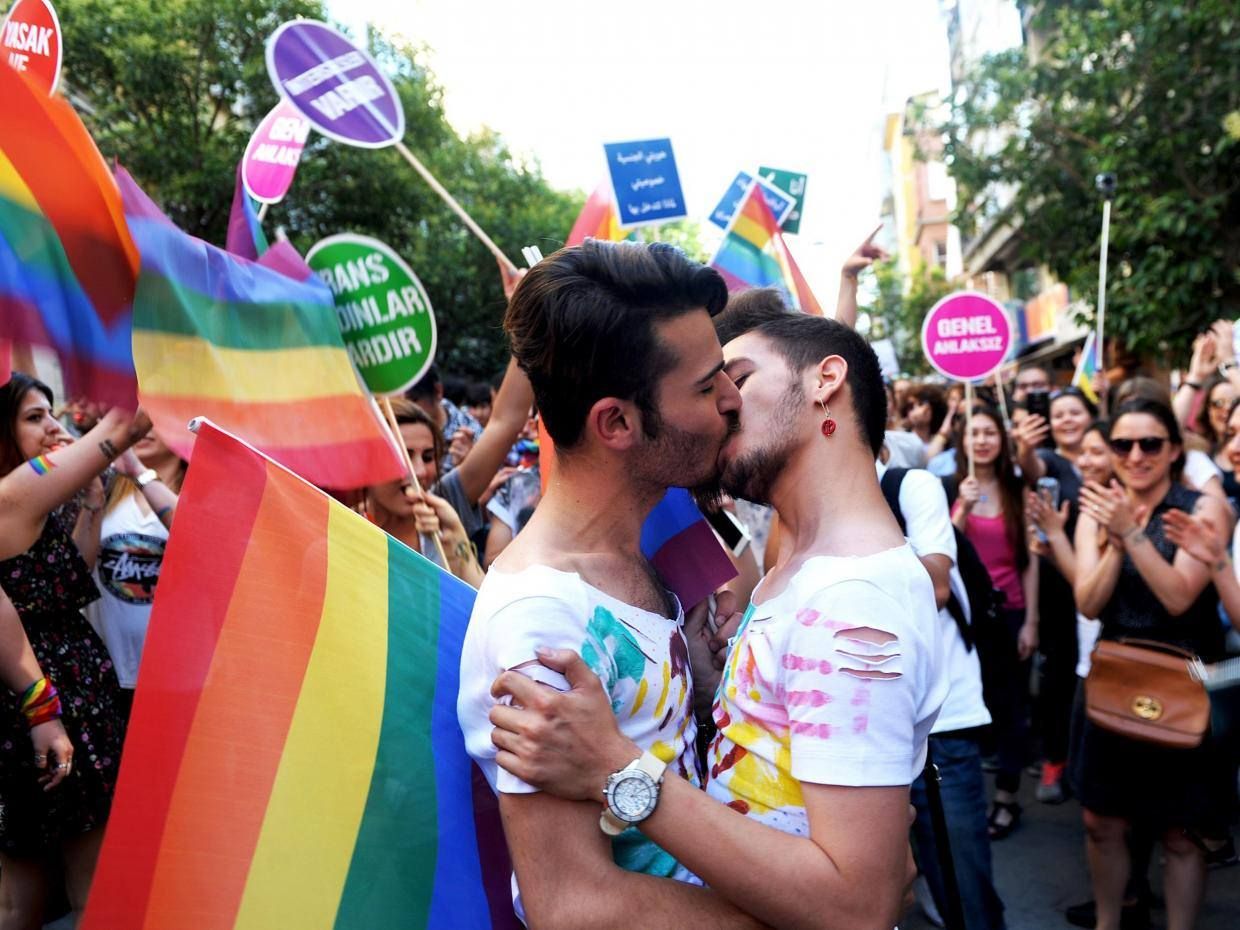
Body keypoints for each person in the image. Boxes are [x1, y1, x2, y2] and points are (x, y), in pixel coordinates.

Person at [480, 289, 947, 929]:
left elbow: (856, 907)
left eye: (741, 378)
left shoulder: (850, 598)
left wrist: (618, 767)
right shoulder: (800, 574)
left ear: (827, 381)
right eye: (711, 386)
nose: (724, 404)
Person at [456, 240, 762, 927]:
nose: (733, 400)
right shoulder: (543, 618)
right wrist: (804, 917)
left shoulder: (637, 555)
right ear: (617, 422)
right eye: (707, 385)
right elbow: (573, 904)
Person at [1072, 397, 1232, 930]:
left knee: (1180, 833)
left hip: (1187, 681)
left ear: (1174, 450)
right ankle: (1107, 922)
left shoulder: (1202, 509)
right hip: (1115, 677)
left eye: (1150, 444)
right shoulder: (1097, 506)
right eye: (1123, 444)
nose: (1136, 455)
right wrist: (1116, 542)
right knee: (1102, 821)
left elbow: (1179, 597)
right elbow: (1089, 603)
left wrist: (1134, 534)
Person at [0, 373, 149, 927]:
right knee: (90, 885)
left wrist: (88, 505)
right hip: (49, 703)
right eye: (34, 417)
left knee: (23, 893)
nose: (53, 428)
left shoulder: (26, 501)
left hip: (56, 696)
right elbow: (126, 423)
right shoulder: (13, 495)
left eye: (51, 413)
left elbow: (67, 578)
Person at [878, 453, 1004, 930]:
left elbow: (936, 587)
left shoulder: (911, 486)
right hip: (867, 727)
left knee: (963, 884)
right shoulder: (801, 507)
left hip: (940, 726)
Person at [952, 404, 1038, 840]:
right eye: (975, 433)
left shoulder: (1016, 488)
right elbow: (941, 553)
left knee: (1012, 710)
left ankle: (1007, 797)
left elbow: (1029, 561)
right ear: (962, 440)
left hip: (1013, 613)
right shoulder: (947, 486)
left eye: (990, 432)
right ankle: (970, 798)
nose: (983, 440)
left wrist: (1032, 622)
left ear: (1001, 440)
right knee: (974, 705)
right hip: (969, 619)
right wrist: (962, 510)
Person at [1012, 387, 1099, 804]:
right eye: (1058, 414)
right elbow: (1030, 468)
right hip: (1057, 585)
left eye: (1074, 412)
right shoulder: (1051, 463)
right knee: (1058, 672)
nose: (1066, 419)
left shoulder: (1113, 458)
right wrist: (1025, 449)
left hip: (1103, 579)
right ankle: (1054, 759)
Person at [85, 431, 184, 718]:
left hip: (178, 680)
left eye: (155, 419)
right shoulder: (104, 486)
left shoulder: (205, 491)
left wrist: (140, 473)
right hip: (109, 674)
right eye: (138, 418)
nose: (144, 428)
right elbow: (77, 571)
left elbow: (199, 537)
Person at [405, 363, 484, 472]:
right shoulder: (390, 430)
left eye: (412, 402)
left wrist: (469, 469)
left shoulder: (472, 436)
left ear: (438, 391)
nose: (402, 410)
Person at [907, 383, 949, 458]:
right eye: (911, 406)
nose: (916, 410)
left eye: (920, 404)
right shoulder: (903, 439)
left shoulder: (946, 442)